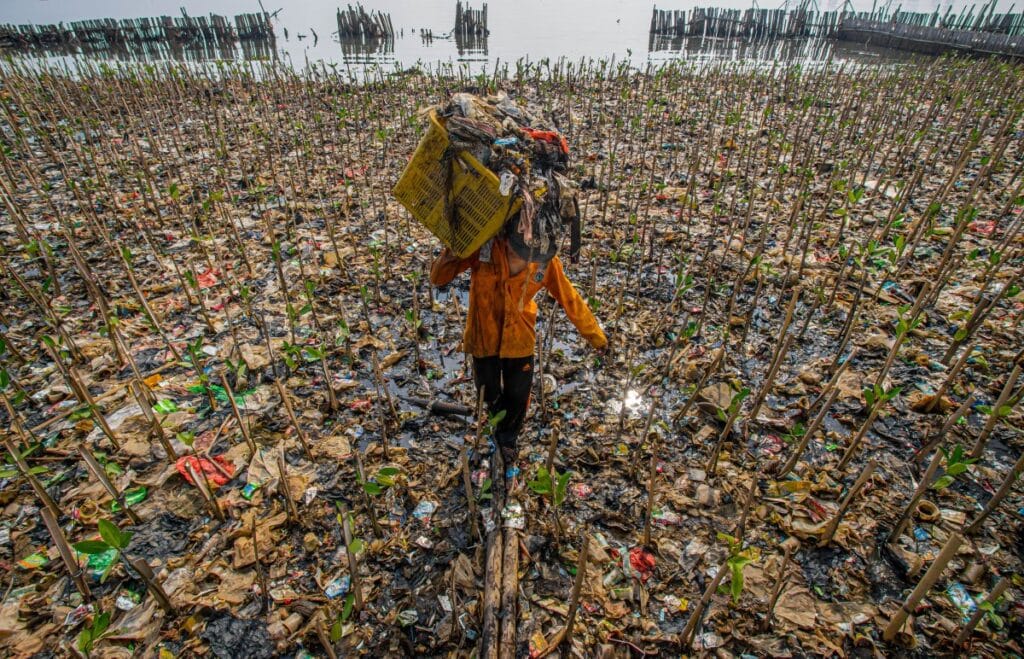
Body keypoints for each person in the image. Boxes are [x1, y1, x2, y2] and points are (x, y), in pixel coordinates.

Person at [430, 225, 608, 471]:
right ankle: (495, 423)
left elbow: (570, 299)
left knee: (517, 395)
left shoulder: (545, 261)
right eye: (521, 252)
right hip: (484, 335)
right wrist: (456, 246)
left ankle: (507, 440)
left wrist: (597, 338)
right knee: (487, 390)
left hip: (519, 339)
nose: (525, 258)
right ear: (509, 240)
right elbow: (438, 277)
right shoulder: (485, 247)